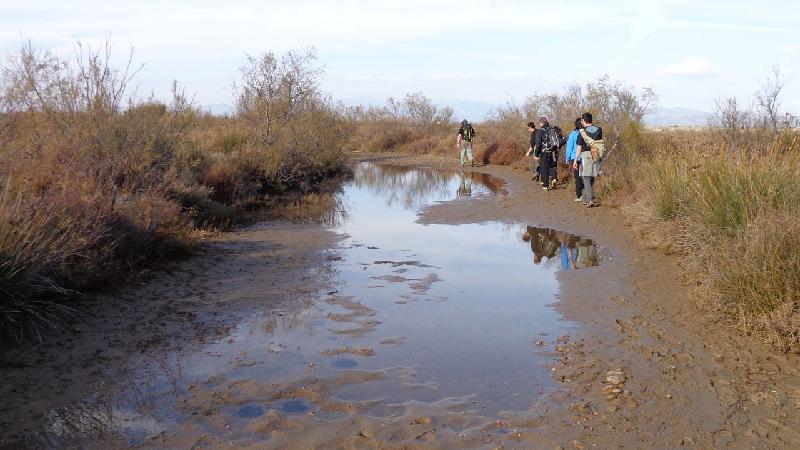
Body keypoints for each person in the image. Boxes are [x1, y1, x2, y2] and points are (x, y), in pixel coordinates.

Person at [573, 112, 602, 207]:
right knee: (592, 176)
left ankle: (589, 200)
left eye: (581, 120)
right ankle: (585, 198)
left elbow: (579, 147)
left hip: (586, 155)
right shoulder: (599, 129)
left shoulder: (582, 132)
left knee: (585, 177)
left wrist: (575, 160)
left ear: (583, 121)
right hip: (596, 154)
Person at [536, 117, 559, 191]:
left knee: (544, 168)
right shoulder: (552, 129)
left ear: (541, 123)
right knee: (552, 166)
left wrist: (537, 153)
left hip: (544, 152)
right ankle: (554, 178)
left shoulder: (540, 131)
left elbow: (538, 144)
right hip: (553, 151)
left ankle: (545, 185)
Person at [565, 118, 584, 202]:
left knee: (578, 177)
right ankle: (586, 194)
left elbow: (569, 147)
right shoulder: (586, 133)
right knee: (585, 177)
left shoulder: (573, 134)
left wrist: (567, 158)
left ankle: (579, 195)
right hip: (585, 157)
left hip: (575, 158)